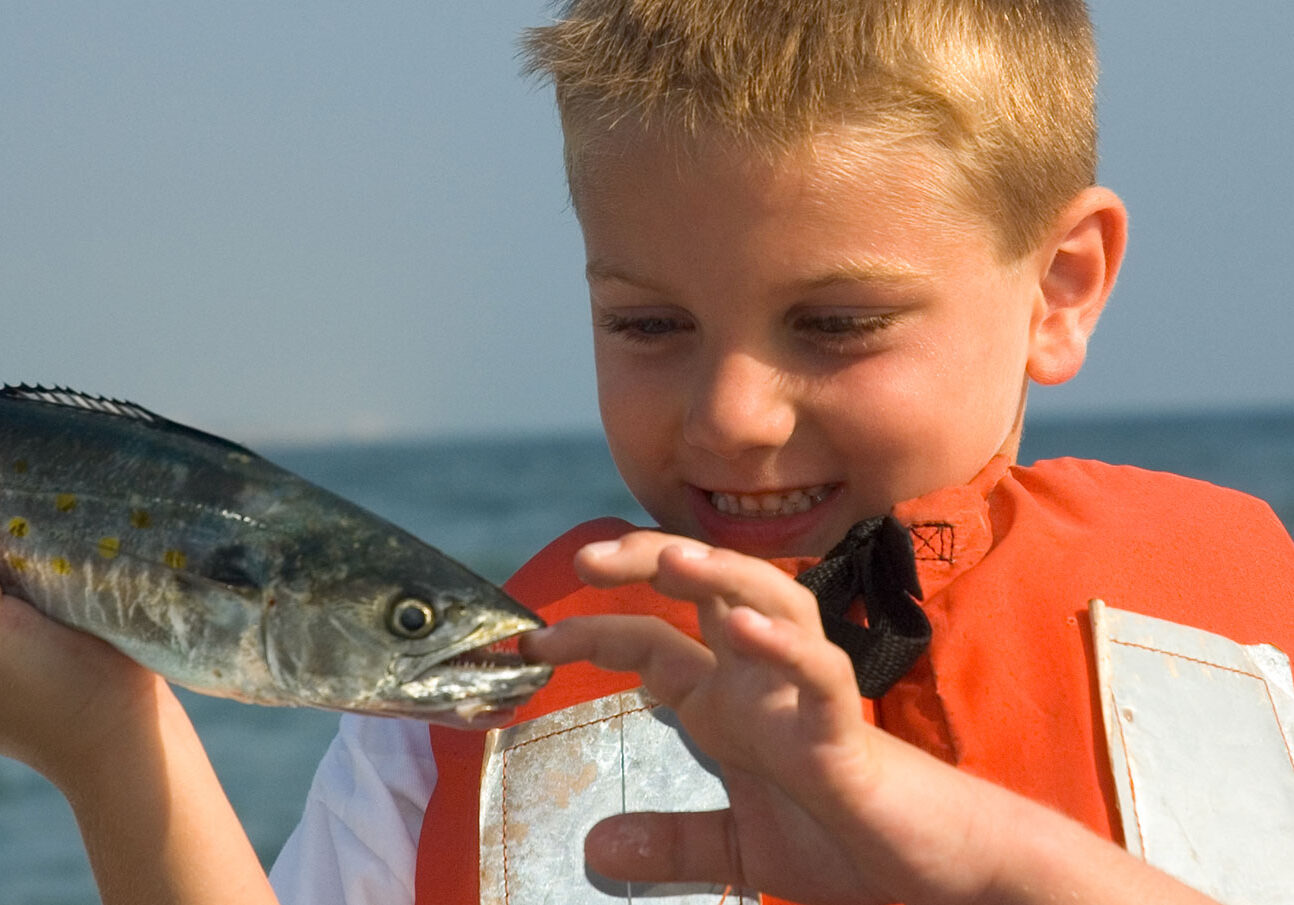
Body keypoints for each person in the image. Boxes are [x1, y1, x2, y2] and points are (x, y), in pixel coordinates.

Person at [1, 1, 1291, 904]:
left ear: (1060, 287)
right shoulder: (454, 710)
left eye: (836, 325)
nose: (732, 414)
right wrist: (114, 750)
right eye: (648, 324)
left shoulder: (1261, 632)